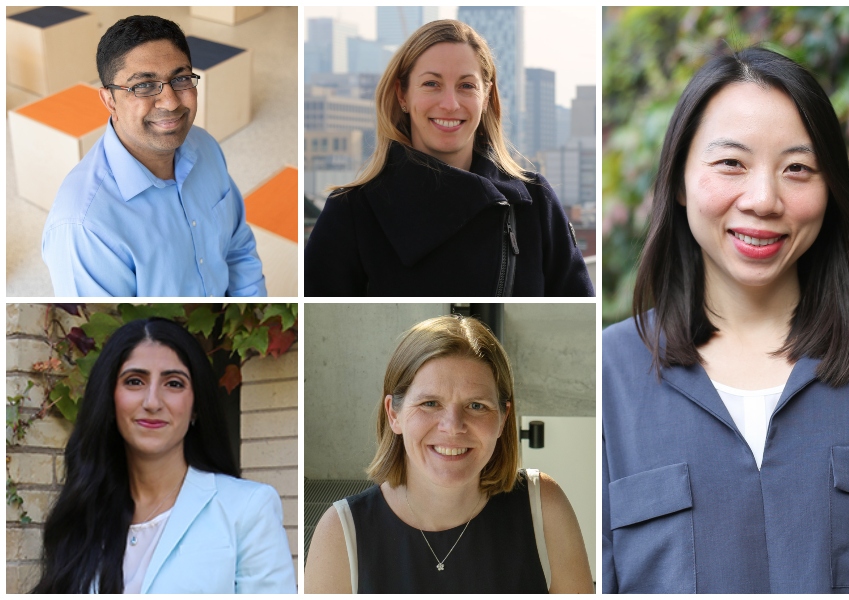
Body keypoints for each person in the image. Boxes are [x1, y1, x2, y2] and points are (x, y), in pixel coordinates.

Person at [602, 47, 849, 593]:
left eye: (798, 169)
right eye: (731, 163)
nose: (763, 199)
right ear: (681, 181)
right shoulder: (609, 374)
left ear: (831, 189)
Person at [304, 20, 594, 297]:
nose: (450, 104)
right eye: (431, 84)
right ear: (402, 94)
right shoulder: (351, 213)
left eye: (467, 86)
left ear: (487, 96)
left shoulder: (534, 203)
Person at [305, 315, 593, 592]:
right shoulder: (340, 534)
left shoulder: (544, 506)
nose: (453, 427)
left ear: (503, 419)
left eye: (476, 405)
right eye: (430, 403)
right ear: (394, 413)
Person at [32, 317, 295, 593]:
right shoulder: (84, 515)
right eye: (134, 381)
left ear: (196, 406)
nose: (152, 402)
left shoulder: (248, 509)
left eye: (174, 384)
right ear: (109, 400)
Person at [41, 15, 266, 297]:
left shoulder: (204, 146)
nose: (171, 101)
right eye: (144, 86)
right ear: (109, 100)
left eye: (181, 79)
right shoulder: (84, 226)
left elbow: (238, 246)